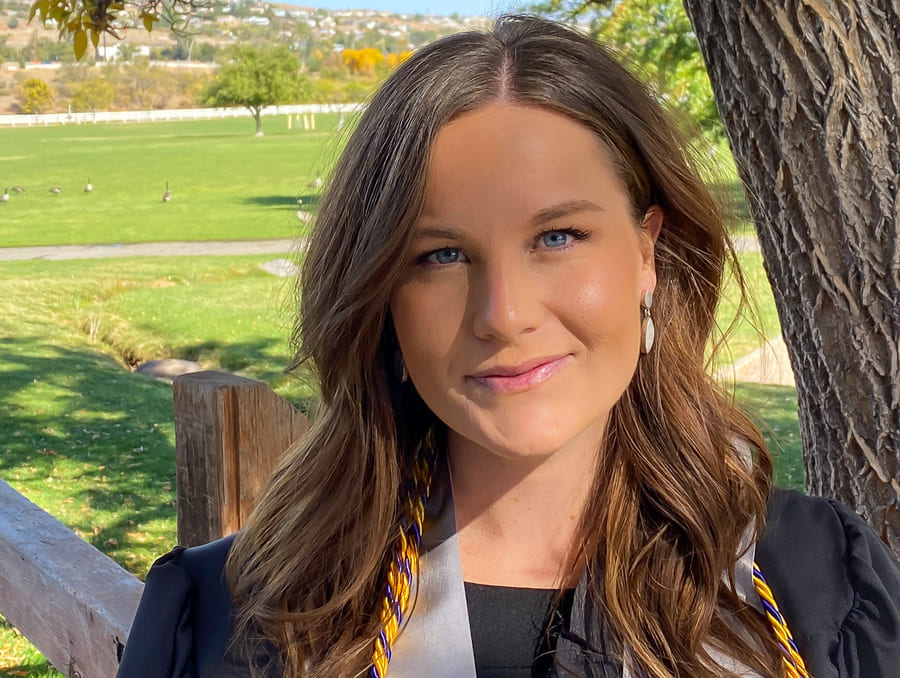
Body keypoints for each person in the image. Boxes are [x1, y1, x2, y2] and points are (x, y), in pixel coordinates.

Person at [116, 14, 900, 678]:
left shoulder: (815, 590)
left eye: (558, 235)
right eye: (440, 255)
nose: (503, 314)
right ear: (381, 297)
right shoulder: (234, 619)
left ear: (647, 253)